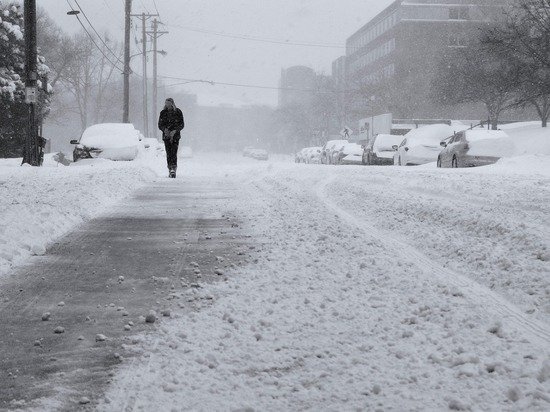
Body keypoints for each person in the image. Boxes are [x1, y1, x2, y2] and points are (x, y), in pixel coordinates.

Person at [158, 98, 185, 178]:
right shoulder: (163, 113)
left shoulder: (178, 112)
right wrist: (164, 129)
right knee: (168, 153)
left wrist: (175, 130)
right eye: (166, 103)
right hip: (166, 136)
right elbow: (160, 125)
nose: (167, 105)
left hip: (175, 136)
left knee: (174, 152)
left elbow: (182, 124)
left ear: (172, 103)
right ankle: (170, 168)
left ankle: (173, 168)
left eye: (169, 103)